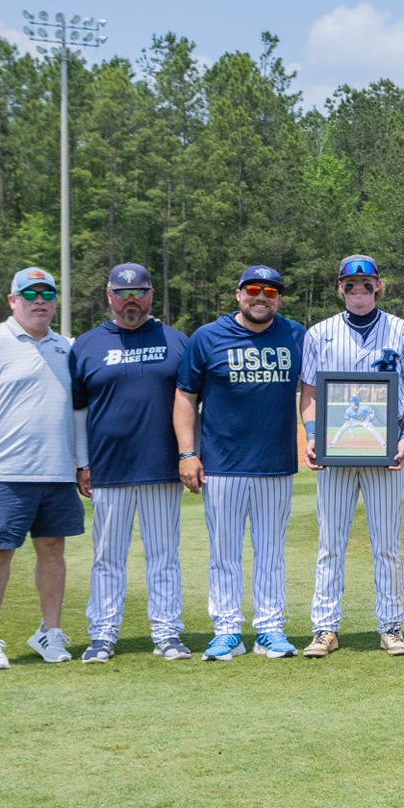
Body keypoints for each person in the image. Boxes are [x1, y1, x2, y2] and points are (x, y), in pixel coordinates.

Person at [0, 267, 85, 671]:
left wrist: (81, 463)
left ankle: (51, 631)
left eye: (47, 294)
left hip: (56, 471)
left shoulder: (68, 347)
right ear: (13, 300)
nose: (39, 300)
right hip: (3, 472)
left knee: (53, 550)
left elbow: (78, 411)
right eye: (30, 294)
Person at [298, 255, 404, 658]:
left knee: (386, 542)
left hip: (384, 451)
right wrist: (312, 436)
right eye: (351, 284)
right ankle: (324, 628)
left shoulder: (403, 332)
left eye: (366, 284)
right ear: (339, 287)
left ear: (379, 286)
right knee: (330, 543)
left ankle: (391, 626)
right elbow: (310, 395)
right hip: (335, 455)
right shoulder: (319, 334)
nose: (359, 291)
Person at [175, 265, 306, 661]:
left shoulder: (296, 335)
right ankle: (227, 630)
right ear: (238, 294)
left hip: (276, 463)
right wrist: (187, 452)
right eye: (253, 289)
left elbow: (318, 389)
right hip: (221, 465)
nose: (261, 297)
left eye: (270, 291)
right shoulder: (207, 337)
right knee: (225, 553)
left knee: (271, 552)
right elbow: (185, 397)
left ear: (278, 298)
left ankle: (269, 628)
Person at [68, 263, 191, 662]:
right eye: (122, 293)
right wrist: (83, 462)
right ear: (109, 296)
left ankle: (167, 632)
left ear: (151, 295)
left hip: (162, 467)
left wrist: (191, 454)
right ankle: (102, 634)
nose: (131, 300)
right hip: (109, 469)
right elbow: (78, 411)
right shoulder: (86, 345)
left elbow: (193, 404)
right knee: (107, 558)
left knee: (163, 556)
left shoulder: (176, 341)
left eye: (138, 292)